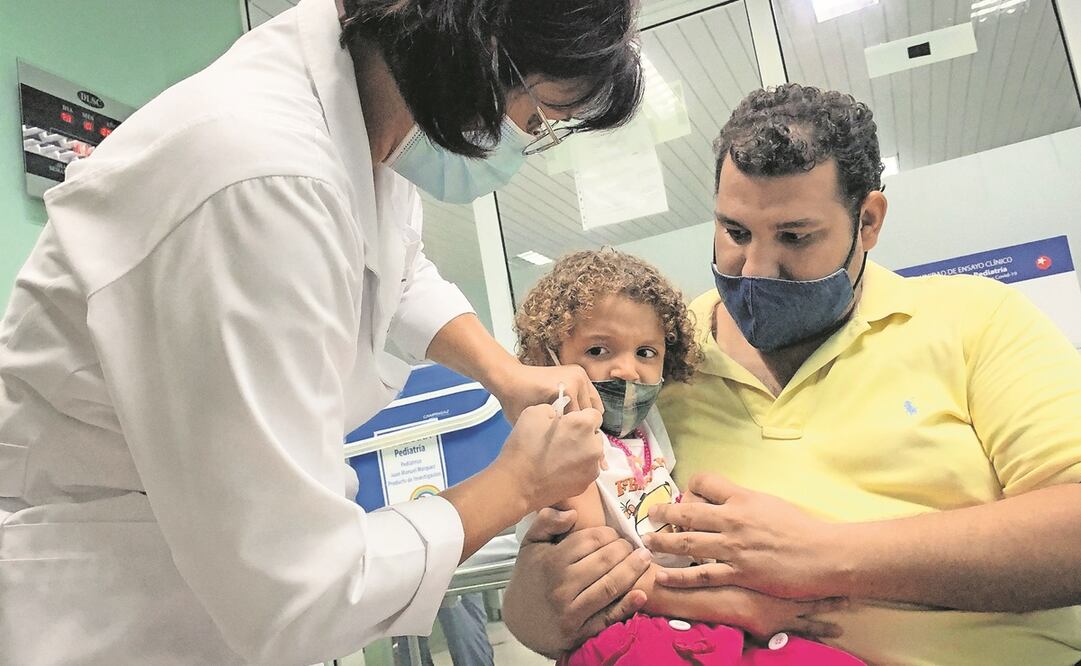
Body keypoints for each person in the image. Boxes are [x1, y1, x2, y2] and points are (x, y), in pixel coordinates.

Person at [0, 0, 645, 663]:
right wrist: (515, 484)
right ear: (473, 48)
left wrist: (504, 374)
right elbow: (301, 593)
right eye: (536, 117)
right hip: (102, 602)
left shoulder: (371, 123)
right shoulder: (258, 177)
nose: (525, 140)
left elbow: (394, 269)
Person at [503, 84, 1081, 665]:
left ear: (868, 221)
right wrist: (532, 611)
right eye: (735, 232)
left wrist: (827, 555)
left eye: (795, 237)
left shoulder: (976, 319)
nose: (756, 269)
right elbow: (566, 561)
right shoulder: (659, 354)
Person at [514, 248, 863, 665]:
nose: (627, 371)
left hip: (690, 612)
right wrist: (742, 608)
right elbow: (603, 573)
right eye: (598, 351)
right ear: (548, 358)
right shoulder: (560, 441)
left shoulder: (644, 427)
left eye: (646, 353)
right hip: (629, 625)